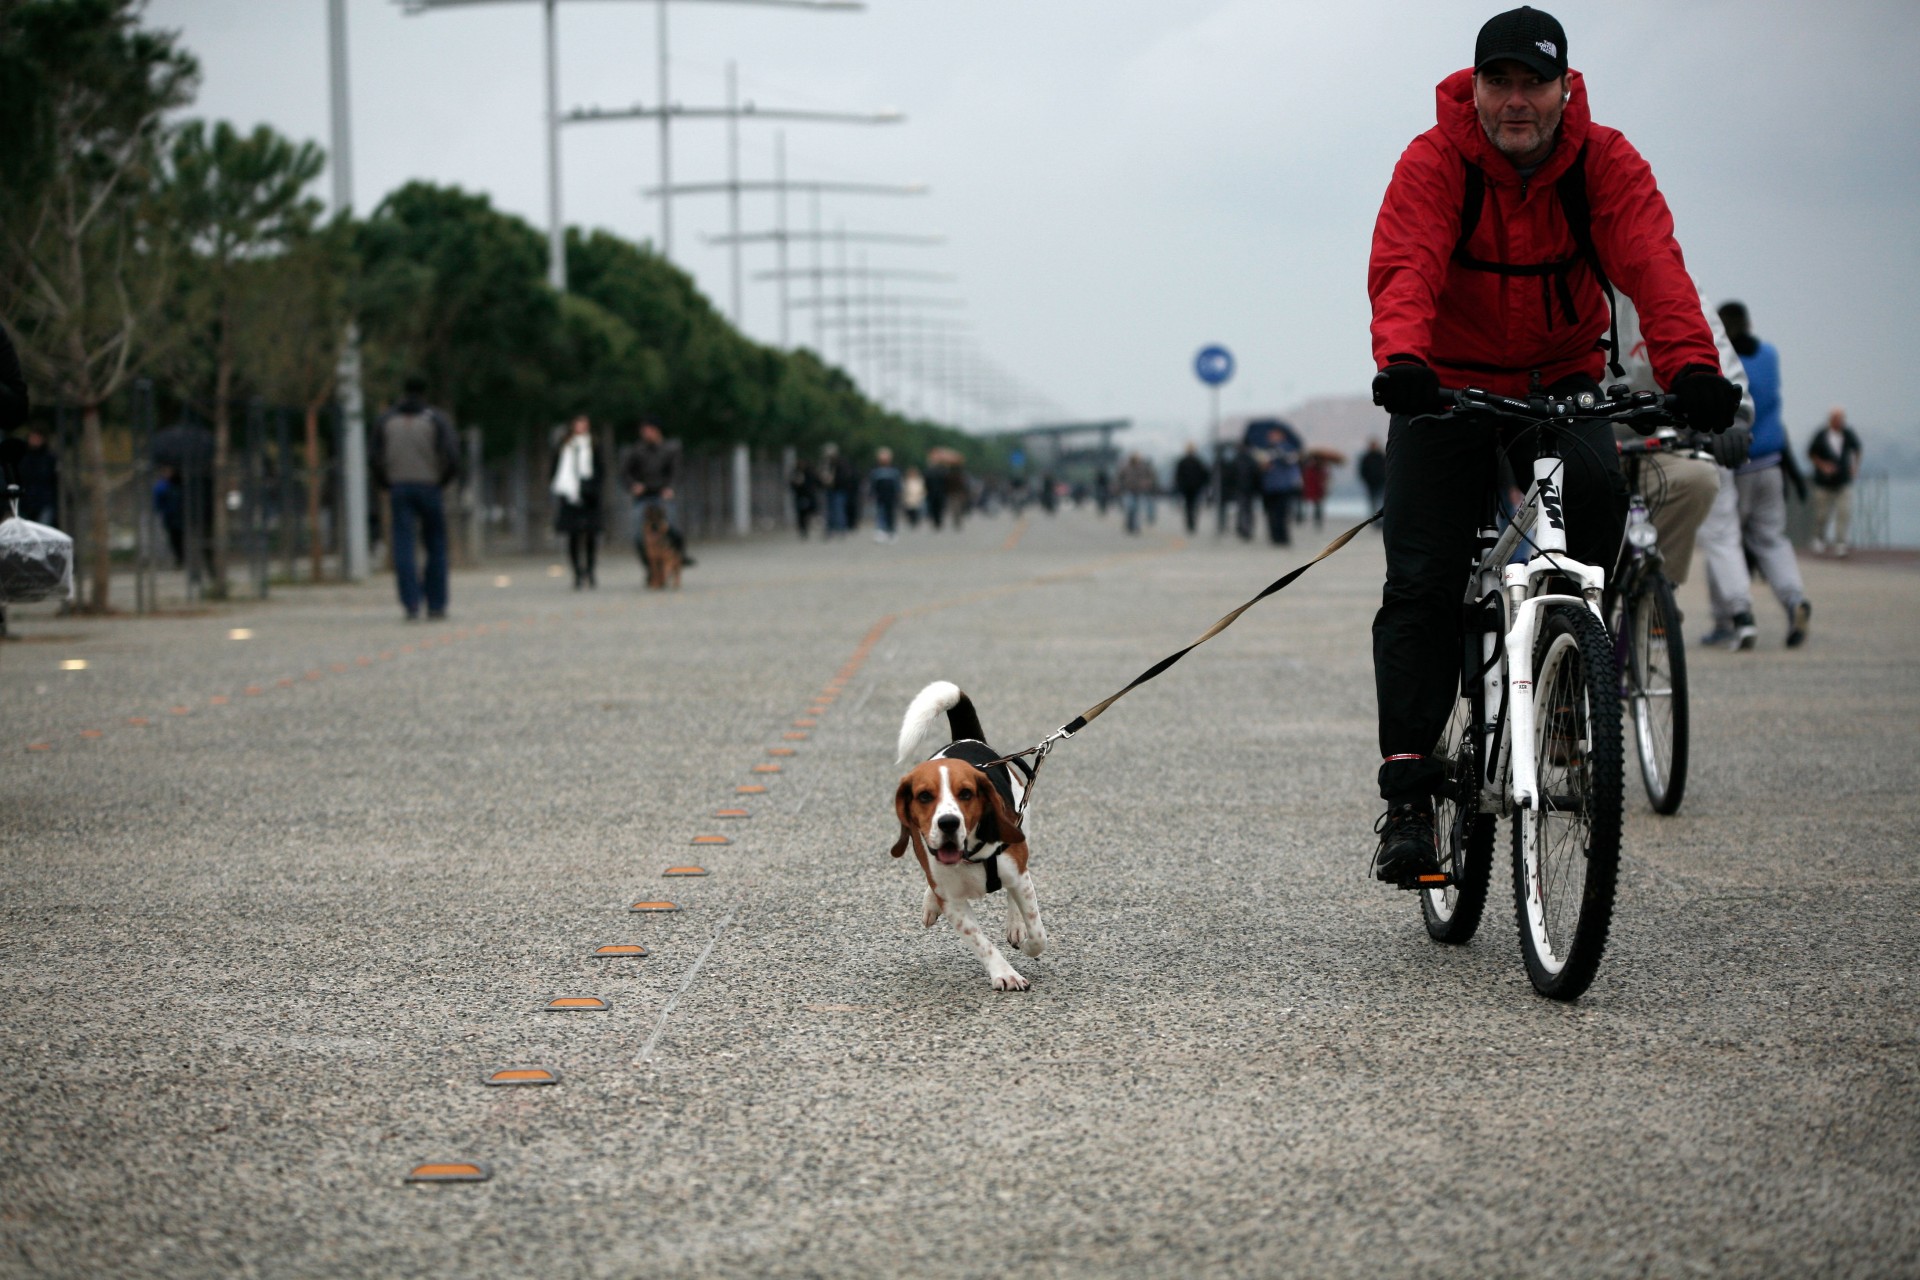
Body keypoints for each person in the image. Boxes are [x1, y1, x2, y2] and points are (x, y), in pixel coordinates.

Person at [1364, 6, 1742, 883]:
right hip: (1447, 387)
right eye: (1499, 81)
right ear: (1478, 88)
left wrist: (1690, 366)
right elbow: (1406, 264)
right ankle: (1410, 799)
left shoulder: (1604, 161)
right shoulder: (1434, 162)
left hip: (1561, 384)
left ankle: (1570, 680)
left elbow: (1653, 263)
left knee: (1596, 513)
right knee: (1420, 583)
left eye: (1534, 82)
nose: (1516, 100)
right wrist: (1406, 360)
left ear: (1565, 88)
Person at [1611, 291, 1753, 589]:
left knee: (1698, 478)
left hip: (1655, 437)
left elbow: (1707, 337)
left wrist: (1732, 410)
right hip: (1584, 434)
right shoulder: (1571, 265)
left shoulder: (1666, 273)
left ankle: (1657, 588)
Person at [1698, 301, 1811, 649]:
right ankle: (1794, 600)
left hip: (1732, 461)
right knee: (1772, 540)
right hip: (1772, 463)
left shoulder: (1724, 363)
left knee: (1722, 538)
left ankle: (1733, 616)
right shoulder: (1769, 357)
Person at [370, 375, 460, 621]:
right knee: (436, 545)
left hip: (398, 487)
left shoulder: (386, 419)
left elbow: (374, 457)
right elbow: (452, 455)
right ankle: (436, 603)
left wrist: (386, 483)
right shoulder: (435, 419)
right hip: (430, 486)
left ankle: (411, 603)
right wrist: (442, 481)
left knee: (403, 545)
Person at [623, 418, 691, 570]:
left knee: (673, 527)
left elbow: (677, 472)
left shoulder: (670, 449)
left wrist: (671, 488)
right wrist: (633, 486)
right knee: (638, 535)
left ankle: (679, 555)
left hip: (662, 495)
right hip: (643, 497)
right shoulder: (636, 451)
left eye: (648, 430)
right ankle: (650, 567)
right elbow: (625, 473)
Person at [550, 415, 605, 589]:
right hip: (569, 495)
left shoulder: (594, 445)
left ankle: (590, 570)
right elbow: (555, 469)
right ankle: (577, 573)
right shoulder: (563, 446)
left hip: (590, 496)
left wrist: (591, 488)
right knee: (573, 536)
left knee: (590, 535)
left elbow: (601, 470)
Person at [1807, 407, 1863, 557]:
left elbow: (1857, 449)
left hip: (1843, 480)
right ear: (1831, 419)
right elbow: (1811, 453)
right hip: (1823, 482)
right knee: (1822, 514)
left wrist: (1854, 467)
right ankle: (1819, 538)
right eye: (1836, 419)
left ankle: (1841, 542)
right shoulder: (1821, 435)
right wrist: (1823, 466)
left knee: (1843, 512)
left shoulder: (1848, 434)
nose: (1839, 422)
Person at [12, 429, 58, 527]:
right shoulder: (23, 458)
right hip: (26, 503)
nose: (35, 440)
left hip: (44, 501)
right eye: (32, 437)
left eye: (37, 438)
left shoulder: (49, 458)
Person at [1117, 453, 1157, 535]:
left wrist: (1147, 483)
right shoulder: (1126, 467)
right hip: (1128, 490)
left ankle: (1136, 526)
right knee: (1130, 508)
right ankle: (1129, 524)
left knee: (1137, 510)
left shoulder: (1143, 468)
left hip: (1139, 490)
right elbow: (1119, 478)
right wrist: (1120, 486)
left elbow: (1151, 476)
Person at [1174, 443, 1210, 535]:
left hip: (1190, 488)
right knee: (1193, 507)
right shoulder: (1197, 461)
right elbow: (1205, 475)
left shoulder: (1184, 461)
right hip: (1193, 488)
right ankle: (1191, 523)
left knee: (1189, 507)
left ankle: (1190, 524)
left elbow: (1178, 476)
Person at [869, 447, 902, 542]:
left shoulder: (894, 471)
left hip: (891, 497)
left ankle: (891, 532)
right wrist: (871, 495)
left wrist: (899, 494)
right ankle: (881, 531)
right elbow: (872, 485)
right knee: (880, 514)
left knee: (891, 515)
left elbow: (898, 485)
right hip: (880, 497)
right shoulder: (876, 471)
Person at [789, 456, 821, 538]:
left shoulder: (810, 472)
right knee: (801, 514)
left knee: (809, 513)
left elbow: (817, 483)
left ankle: (807, 526)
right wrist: (796, 484)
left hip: (809, 496)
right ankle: (803, 529)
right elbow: (791, 484)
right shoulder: (795, 473)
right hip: (800, 496)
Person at [1300, 454, 1330, 530]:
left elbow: (1326, 479)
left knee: (1318, 507)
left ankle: (1318, 522)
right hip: (1311, 490)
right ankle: (1312, 522)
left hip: (1317, 490)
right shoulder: (1309, 469)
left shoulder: (1321, 469)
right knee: (1312, 507)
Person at [1358, 439, 1387, 514]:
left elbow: (1386, 469)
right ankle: (1375, 517)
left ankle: (1379, 517)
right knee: (1373, 501)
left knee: (1380, 500)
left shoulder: (1381, 457)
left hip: (1381, 483)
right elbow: (1363, 471)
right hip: (1371, 484)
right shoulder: (1367, 458)